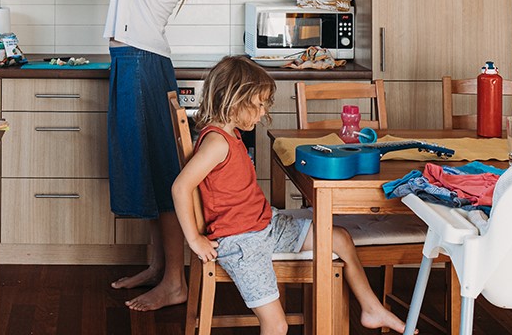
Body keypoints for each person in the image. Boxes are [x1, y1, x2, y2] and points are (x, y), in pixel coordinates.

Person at [171, 56, 410, 334]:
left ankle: (371, 308)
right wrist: (195, 239)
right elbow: (180, 187)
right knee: (276, 325)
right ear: (234, 100)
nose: (262, 113)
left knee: (340, 238)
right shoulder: (216, 142)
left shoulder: (231, 135)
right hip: (243, 243)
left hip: (265, 226)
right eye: (258, 104)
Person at [80, 0, 228, 312]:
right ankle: (159, 266)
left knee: (162, 175)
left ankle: (175, 282)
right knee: (150, 167)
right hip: (138, 59)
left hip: (141, 61)